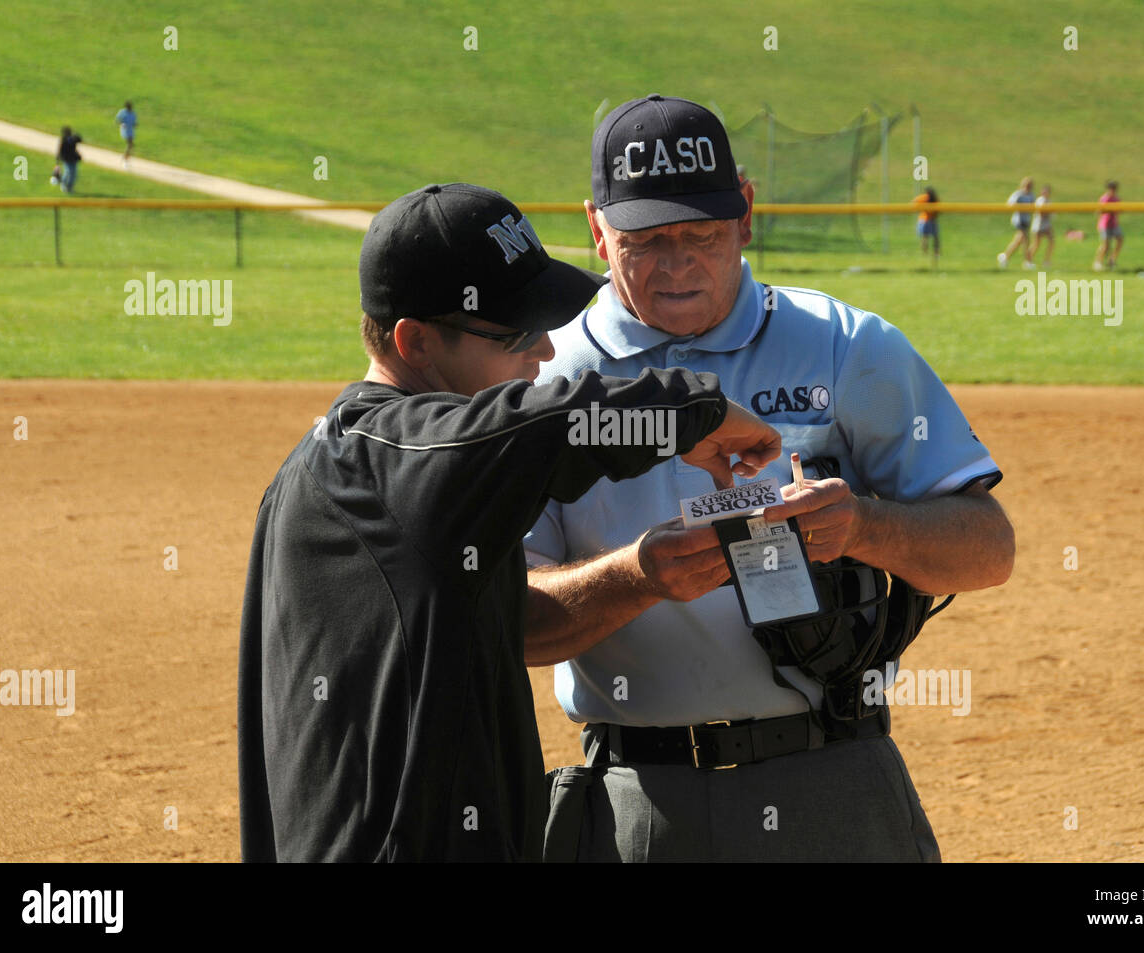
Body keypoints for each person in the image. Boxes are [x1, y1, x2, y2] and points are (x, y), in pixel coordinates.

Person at [524, 95, 1015, 863]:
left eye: (702, 234)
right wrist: (638, 577)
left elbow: (989, 547)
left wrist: (865, 525)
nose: (678, 261)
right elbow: (509, 620)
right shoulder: (546, 376)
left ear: (746, 215)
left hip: (835, 778)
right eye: (645, 240)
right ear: (595, 228)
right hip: (640, 802)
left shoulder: (845, 346)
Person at [236, 182, 781, 862]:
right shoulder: (392, 459)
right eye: (516, 332)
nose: (546, 351)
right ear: (416, 342)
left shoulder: (368, 469)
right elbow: (555, 424)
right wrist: (696, 412)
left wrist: (642, 571)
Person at [996, 175, 1035, 269]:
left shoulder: (1031, 195)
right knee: (1024, 239)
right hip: (1019, 220)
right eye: (1027, 185)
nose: (1028, 187)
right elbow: (1010, 204)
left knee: (1020, 241)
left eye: (1030, 185)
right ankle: (1027, 262)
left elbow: (1034, 206)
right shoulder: (1018, 194)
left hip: (1026, 220)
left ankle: (1005, 256)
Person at [1093, 180, 1122, 271]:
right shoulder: (1104, 198)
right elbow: (1099, 211)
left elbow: (1120, 210)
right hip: (1105, 224)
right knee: (1106, 245)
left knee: (1120, 239)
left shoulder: (1116, 198)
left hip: (1114, 223)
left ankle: (1112, 259)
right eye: (1111, 189)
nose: (1113, 191)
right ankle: (1098, 262)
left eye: (1114, 189)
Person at [912, 185, 940, 266]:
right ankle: (933, 253)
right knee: (932, 238)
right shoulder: (929, 197)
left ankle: (926, 253)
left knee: (926, 238)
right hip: (927, 220)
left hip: (925, 220)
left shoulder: (926, 197)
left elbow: (914, 202)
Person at [1031, 184, 1055, 266]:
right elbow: (1041, 213)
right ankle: (1028, 260)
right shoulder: (1040, 200)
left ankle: (1046, 260)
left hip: (1046, 224)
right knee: (1036, 244)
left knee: (1051, 241)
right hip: (1039, 225)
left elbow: (1052, 214)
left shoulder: (1049, 201)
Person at [56, 126, 82, 194]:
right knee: (68, 173)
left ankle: (69, 187)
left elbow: (79, 139)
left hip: (73, 159)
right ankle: (64, 185)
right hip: (67, 159)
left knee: (73, 174)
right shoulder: (64, 140)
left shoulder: (72, 139)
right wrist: (58, 159)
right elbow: (60, 151)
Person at [115, 101, 137, 168]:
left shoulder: (133, 113)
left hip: (131, 131)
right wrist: (121, 124)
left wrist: (135, 124)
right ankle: (125, 161)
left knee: (131, 146)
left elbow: (134, 122)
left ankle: (125, 158)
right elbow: (117, 120)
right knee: (130, 144)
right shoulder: (122, 112)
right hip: (125, 130)